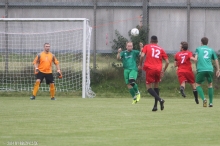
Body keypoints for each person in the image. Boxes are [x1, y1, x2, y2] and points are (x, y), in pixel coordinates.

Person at [138, 35, 169, 111]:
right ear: (157, 41)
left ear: (150, 41)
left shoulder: (147, 46)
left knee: (149, 88)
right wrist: (163, 71)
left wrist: (140, 64)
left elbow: (142, 56)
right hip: (158, 69)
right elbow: (167, 62)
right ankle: (155, 106)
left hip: (150, 68)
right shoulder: (161, 49)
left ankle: (160, 100)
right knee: (156, 87)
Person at [194, 37, 220, 107]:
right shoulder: (211, 50)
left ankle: (204, 99)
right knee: (210, 84)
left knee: (197, 84)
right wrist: (218, 69)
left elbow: (195, 59)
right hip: (210, 69)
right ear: (207, 43)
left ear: (201, 42)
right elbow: (216, 60)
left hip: (201, 69)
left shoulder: (198, 49)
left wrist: (194, 60)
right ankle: (211, 103)